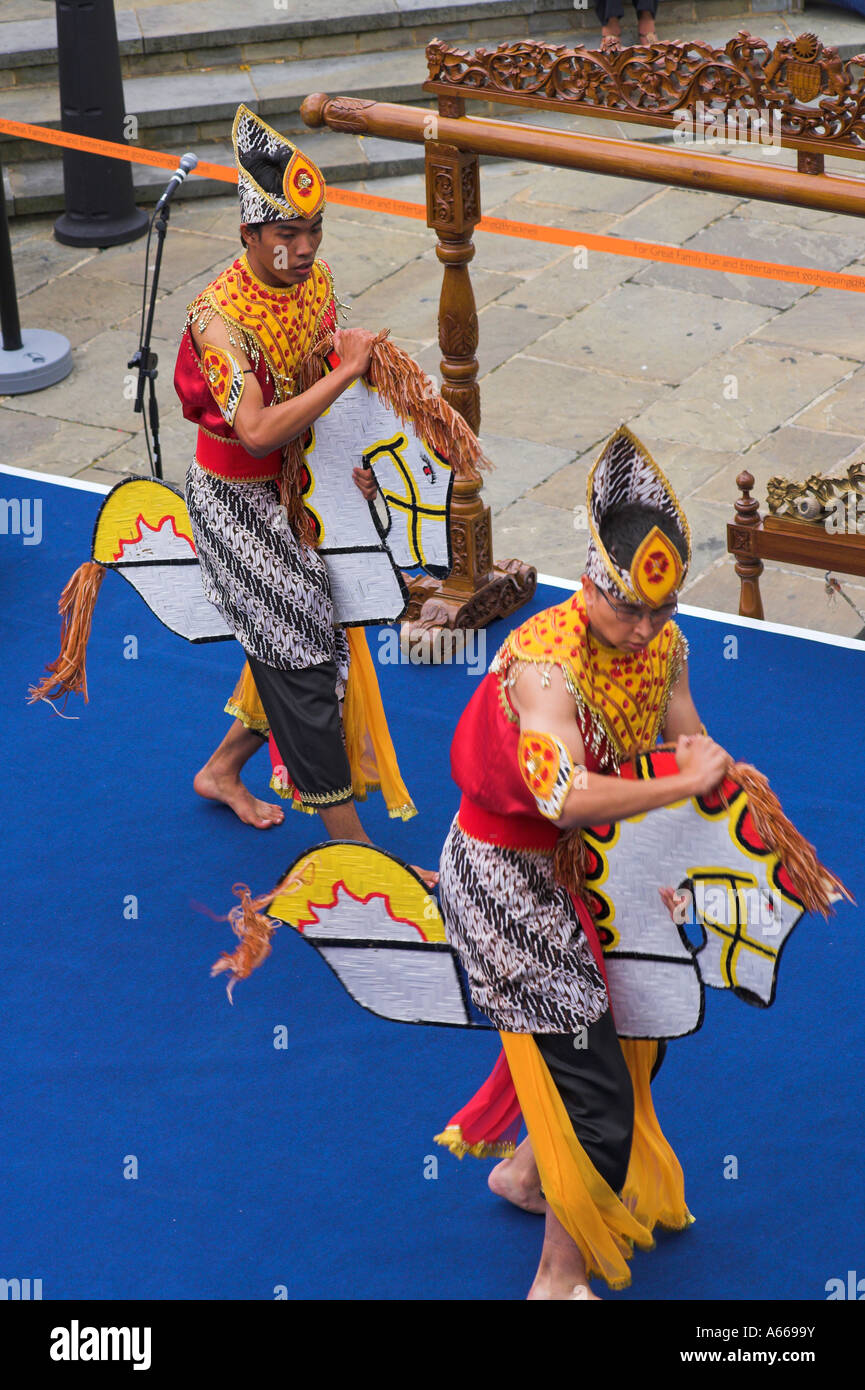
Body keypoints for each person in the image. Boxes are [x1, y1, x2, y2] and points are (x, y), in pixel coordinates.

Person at [435, 425, 729, 1298]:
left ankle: (525, 1176)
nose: (642, 631)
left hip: (592, 872)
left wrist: (713, 774)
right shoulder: (543, 668)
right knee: (597, 1101)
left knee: (641, 1033)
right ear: (587, 581)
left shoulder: (664, 645)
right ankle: (557, 1283)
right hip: (505, 882)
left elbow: (688, 740)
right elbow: (561, 796)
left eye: (659, 612)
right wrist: (679, 781)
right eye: (626, 609)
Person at [174, 105, 423, 860]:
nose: (304, 248)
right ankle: (352, 853)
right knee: (306, 660)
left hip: (300, 485)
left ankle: (221, 769)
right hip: (234, 500)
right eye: (286, 234)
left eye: (313, 232)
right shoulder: (215, 319)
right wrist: (348, 371)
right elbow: (253, 430)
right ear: (248, 234)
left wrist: (353, 464)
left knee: (302, 635)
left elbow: (316, 387)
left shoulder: (316, 288)